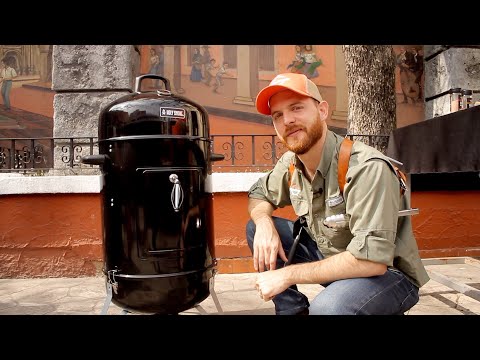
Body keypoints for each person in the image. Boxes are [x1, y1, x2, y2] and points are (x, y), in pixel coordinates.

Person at [246, 72, 430, 315]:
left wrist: (285, 275)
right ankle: (292, 311)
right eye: (277, 115)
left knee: (329, 309)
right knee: (257, 227)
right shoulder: (291, 163)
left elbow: (370, 261)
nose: (287, 120)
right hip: (333, 255)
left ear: (322, 111)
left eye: (297, 108)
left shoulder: (365, 166)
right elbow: (259, 194)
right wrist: (263, 223)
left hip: (387, 273)